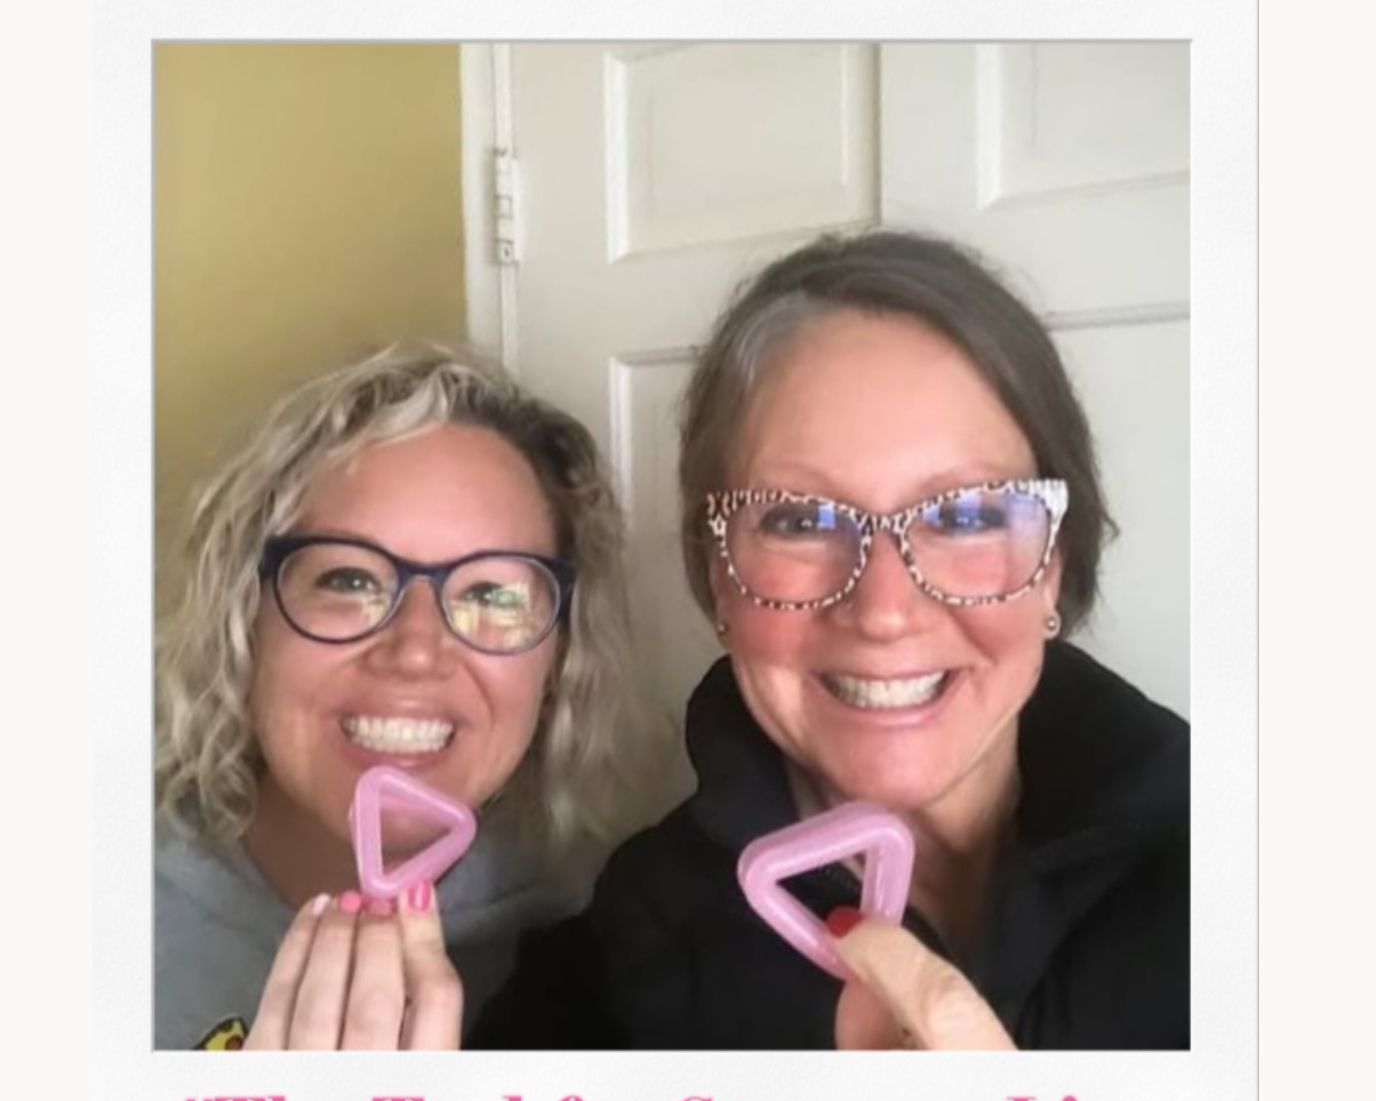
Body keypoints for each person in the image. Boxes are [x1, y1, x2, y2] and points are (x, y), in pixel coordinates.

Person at [473, 231, 1188, 1050]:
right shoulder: (617, 974)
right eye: (800, 519)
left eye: (966, 514)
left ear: (1055, 563)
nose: (884, 610)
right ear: (718, 580)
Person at [155, 343, 637, 1049]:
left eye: (492, 593)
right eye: (349, 580)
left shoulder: (604, 960)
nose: (415, 650)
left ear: (558, 659)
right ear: (245, 615)